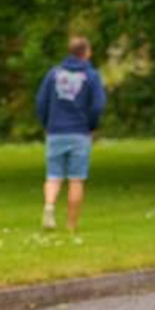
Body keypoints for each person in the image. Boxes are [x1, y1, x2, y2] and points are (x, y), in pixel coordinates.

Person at [34, 36, 105, 233]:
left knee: (53, 176)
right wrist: (92, 125)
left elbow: (41, 101)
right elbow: (98, 105)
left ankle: (49, 206)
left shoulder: (53, 74)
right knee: (76, 179)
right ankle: (71, 225)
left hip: (55, 131)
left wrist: (47, 123)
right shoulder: (91, 76)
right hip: (80, 132)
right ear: (86, 52)